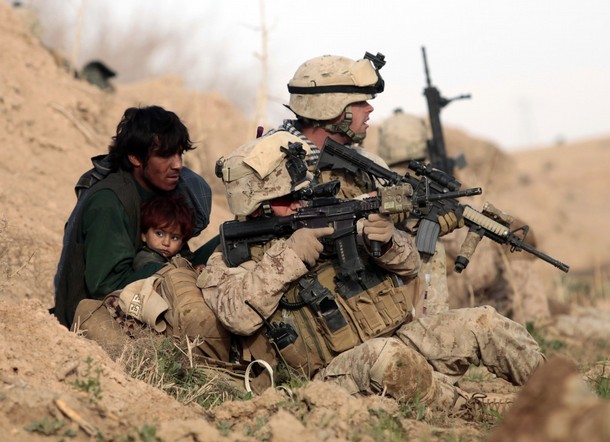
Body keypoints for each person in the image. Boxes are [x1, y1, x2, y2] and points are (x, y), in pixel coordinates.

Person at [198, 53, 546, 412]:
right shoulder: (232, 254)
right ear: (263, 203)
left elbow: (412, 266)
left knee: (484, 323)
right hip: (331, 374)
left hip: (390, 333)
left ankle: (564, 391)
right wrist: (291, 255)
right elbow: (236, 316)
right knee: (390, 360)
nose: (300, 203)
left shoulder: (345, 185)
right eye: (289, 199)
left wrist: (385, 243)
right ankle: (481, 412)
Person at [376, 108, 551, 323]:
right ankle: (538, 323)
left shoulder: (379, 188)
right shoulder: (436, 192)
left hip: (419, 299)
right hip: (446, 296)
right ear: (422, 141)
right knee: (512, 254)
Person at [53, 105, 212, 329]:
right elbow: (107, 286)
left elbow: (179, 258)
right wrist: (178, 274)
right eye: (166, 155)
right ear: (135, 157)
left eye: (179, 153)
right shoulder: (109, 201)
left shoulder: (160, 192)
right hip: (95, 320)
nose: (177, 164)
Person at [133, 193, 195, 270]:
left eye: (175, 238)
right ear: (144, 235)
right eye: (159, 234)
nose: (166, 243)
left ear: (181, 245)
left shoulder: (183, 257)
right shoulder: (145, 260)